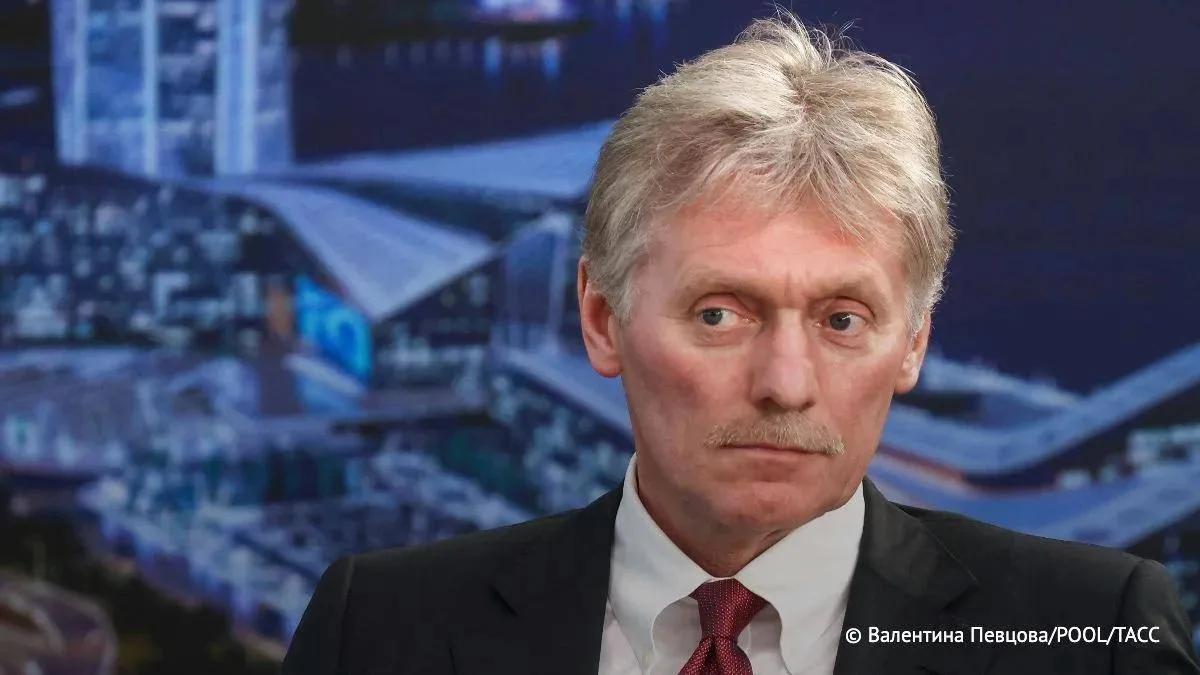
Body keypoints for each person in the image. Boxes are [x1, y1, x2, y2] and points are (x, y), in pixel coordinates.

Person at [282, 12, 1200, 675]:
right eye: (721, 314)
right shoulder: (379, 631)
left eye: (842, 320)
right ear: (602, 318)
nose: (786, 384)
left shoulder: (1094, 639)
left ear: (914, 344)